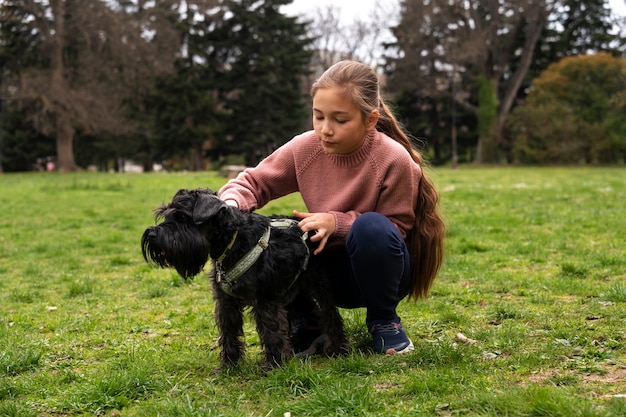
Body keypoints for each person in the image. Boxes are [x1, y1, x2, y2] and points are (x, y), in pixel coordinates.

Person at [218, 60, 445, 355]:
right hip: (323, 273)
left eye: (340, 120)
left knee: (371, 228)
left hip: (380, 273)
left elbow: (395, 229)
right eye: (318, 116)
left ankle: (384, 321)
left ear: (370, 120)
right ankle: (311, 323)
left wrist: (337, 223)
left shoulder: (393, 159)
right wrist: (230, 205)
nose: (325, 130)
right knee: (280, 237)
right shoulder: (305, 148)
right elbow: (252, 183)